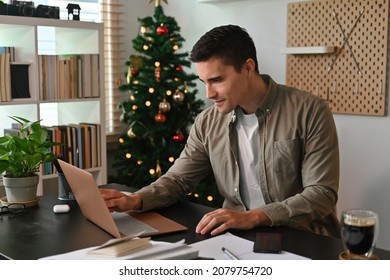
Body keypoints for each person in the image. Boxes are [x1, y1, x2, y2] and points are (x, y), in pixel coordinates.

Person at [102, 24, 341, 238]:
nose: (209, 94)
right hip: (235, 236)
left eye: (217, 80)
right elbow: (179, 179)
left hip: (303, 237)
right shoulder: (208, 121)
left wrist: (253, 216)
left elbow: (321, 194)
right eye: (204, 82)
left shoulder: (310, 110)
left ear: (248, 68)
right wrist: (136, 199)